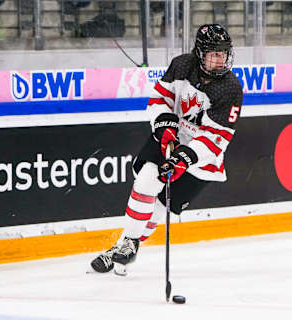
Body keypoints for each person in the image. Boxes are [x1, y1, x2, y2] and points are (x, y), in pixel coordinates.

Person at [91, 24, 243, 274]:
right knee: (146, 181)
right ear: (200, 53)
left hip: (202, 158)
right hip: (171, 139)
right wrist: (165, 127)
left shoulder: (230, 89)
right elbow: (160, 100)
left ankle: (120, 248)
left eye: (223, 53)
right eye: (214, 54)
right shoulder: (182, 65)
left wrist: (186, 156)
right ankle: (127, 246)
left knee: (161, 207)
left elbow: (217, 138)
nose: (220, 59)